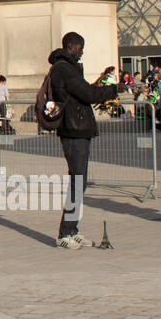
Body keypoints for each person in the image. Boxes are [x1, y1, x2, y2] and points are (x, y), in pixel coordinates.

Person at [45, 32, 118, 249]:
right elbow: (88, 95)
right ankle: (65, 233)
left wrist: (99, 84)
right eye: (81, 47)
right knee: (78, 182)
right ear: (71, 46)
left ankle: (72, 229)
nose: (82, 51)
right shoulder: (64, 69)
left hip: (76, 129)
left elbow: (83, 91)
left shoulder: (66, 68)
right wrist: (113, 89)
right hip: (73, 130)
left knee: (80, 182)